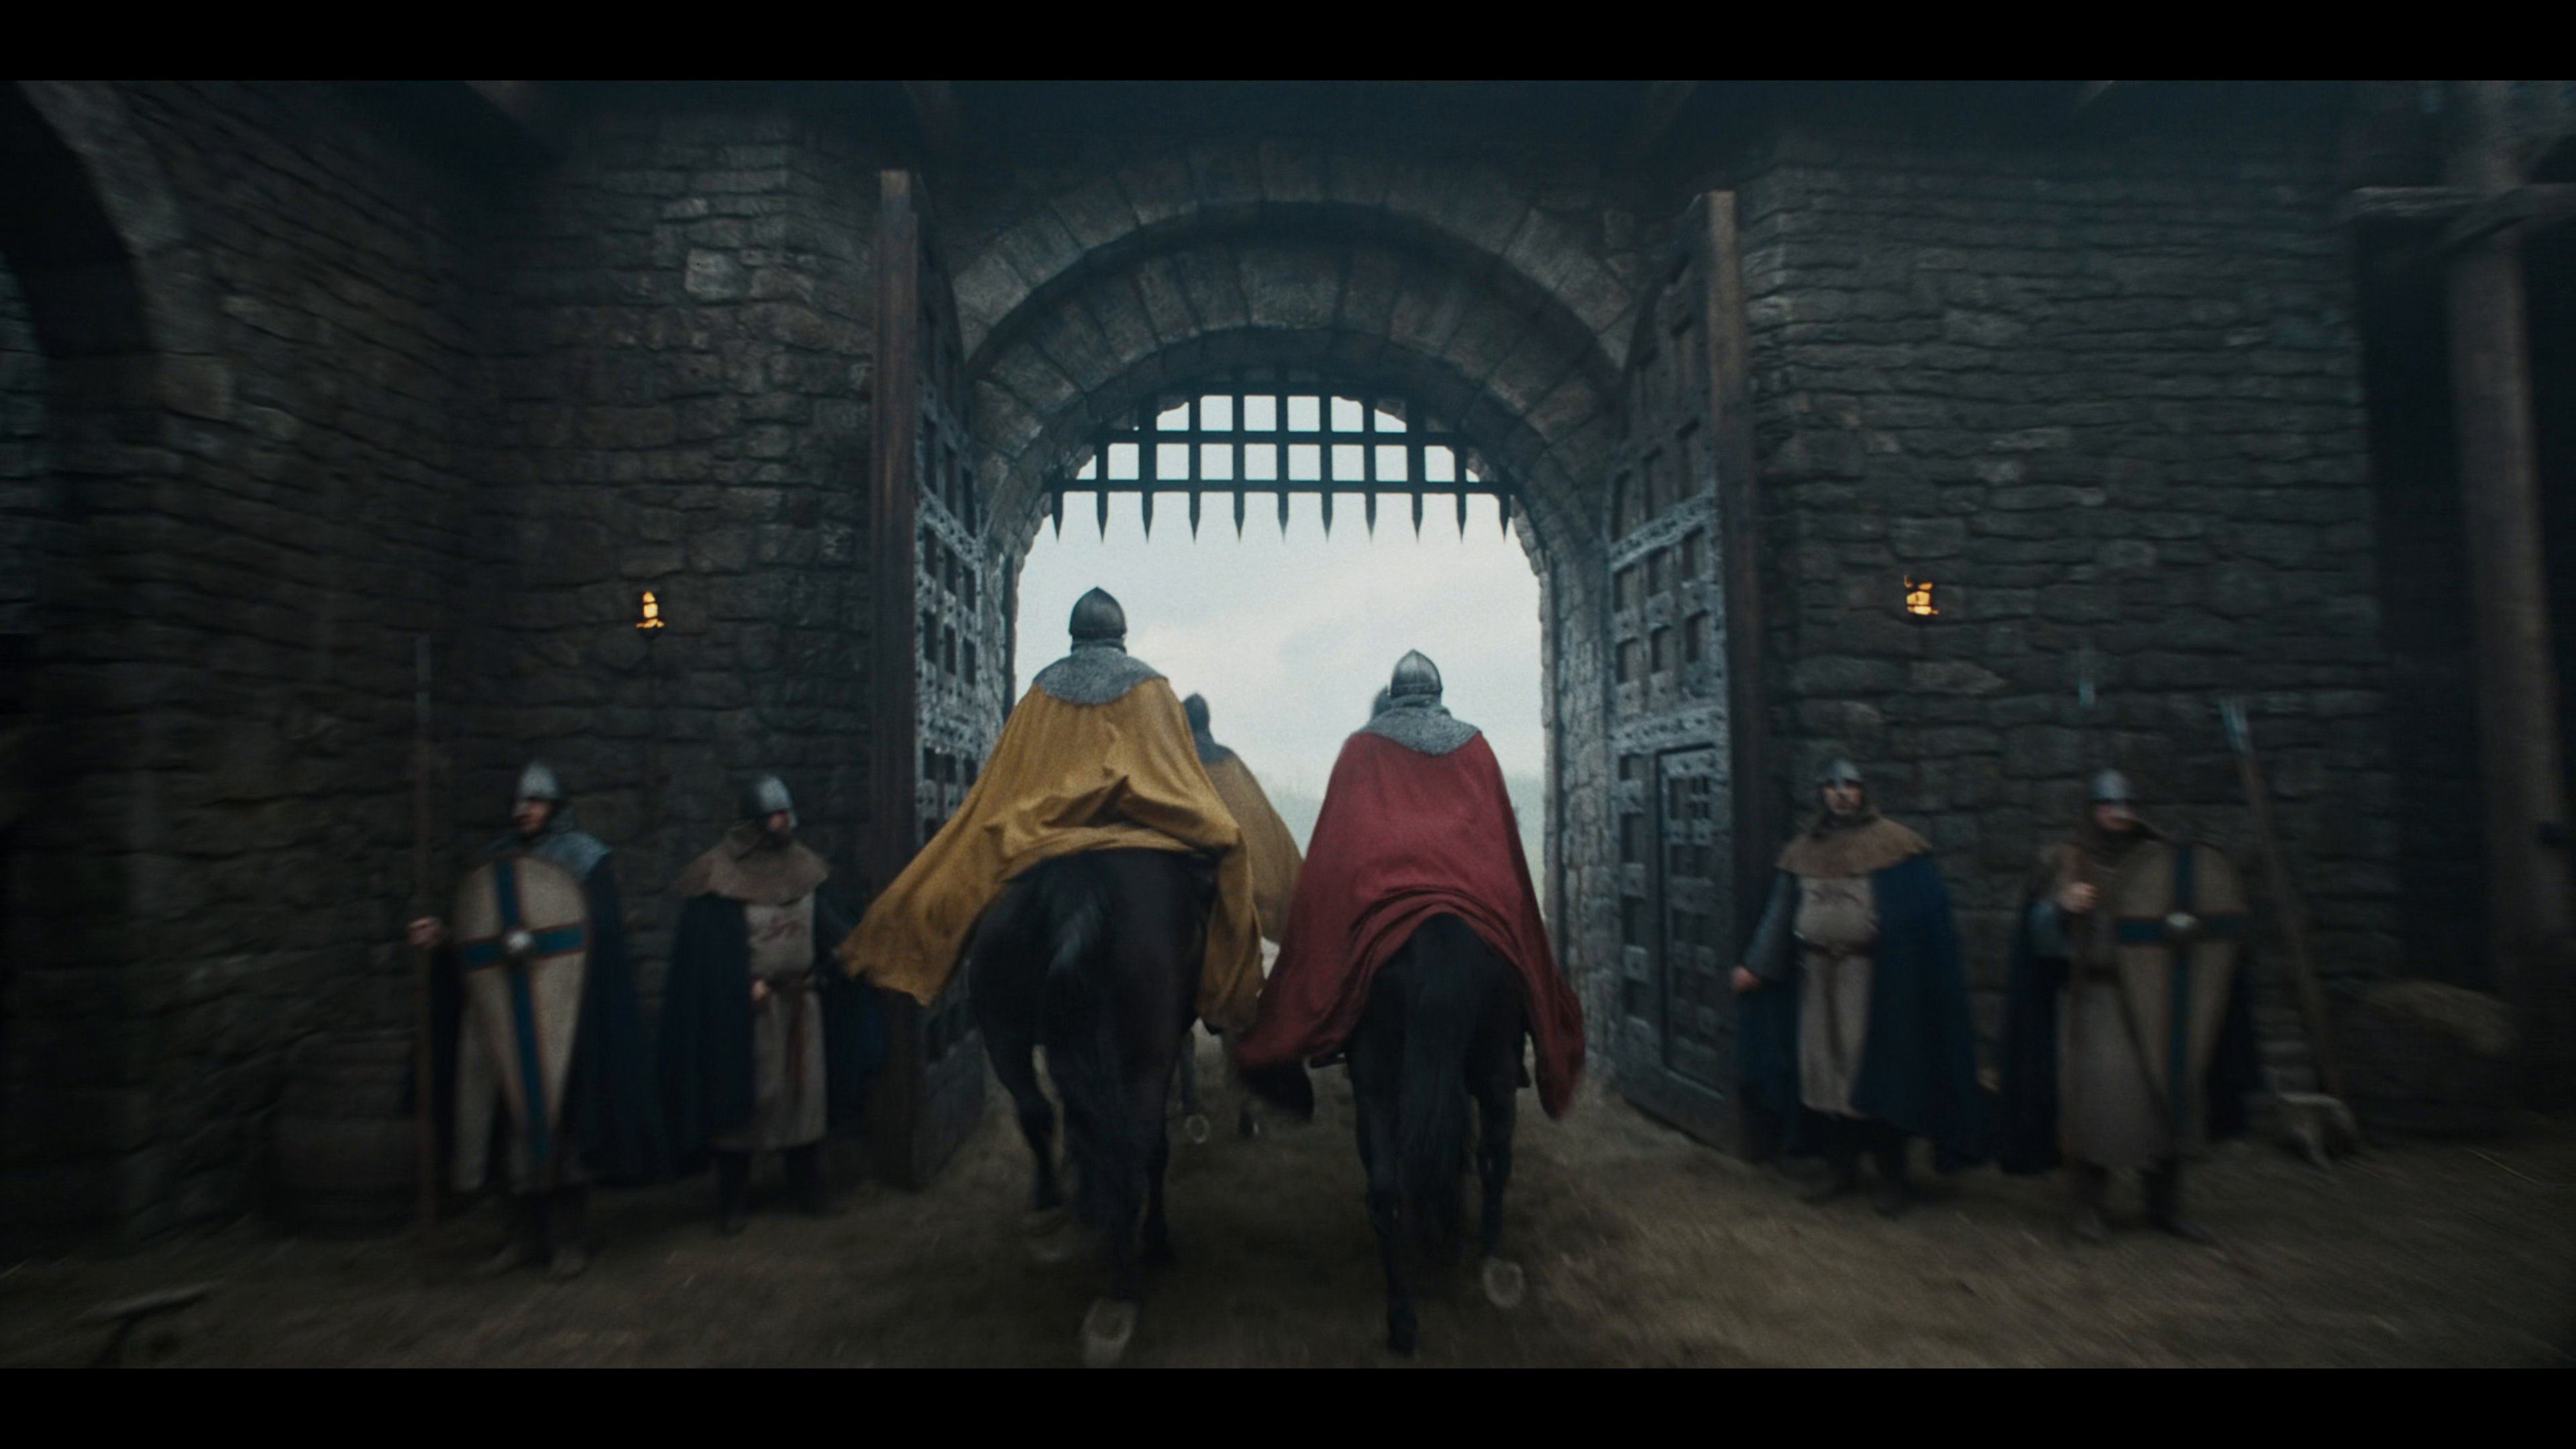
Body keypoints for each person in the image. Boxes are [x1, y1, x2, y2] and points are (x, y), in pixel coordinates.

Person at [837, 588, 1265, 1038]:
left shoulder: (1043, 690)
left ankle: (910, 958)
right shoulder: (1152, 689)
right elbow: (1178, 774)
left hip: (1043, 827)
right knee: (1230, 854)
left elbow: (1008, 777)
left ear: (1075, 635)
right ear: (1120, 636)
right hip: (1145, 829)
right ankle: (1223, 998)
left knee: (963, 876)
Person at [1234, 651, 1584, 1120]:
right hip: (1470, 897)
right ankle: (1515, 1045)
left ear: (1394, 696)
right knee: (1513, 949)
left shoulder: (1361, 747)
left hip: (1386, 897)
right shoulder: (1474, 745)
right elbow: (1501, 847)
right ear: (1438, 695)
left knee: (1341, 955)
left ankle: (1334, 1032)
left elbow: (1339, 846)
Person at [408, 762, 666, 1279]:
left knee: (561, 1129)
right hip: (506, 1019)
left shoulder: (586, 860)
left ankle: (568, 1239)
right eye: (520, 802)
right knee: (510, 1128)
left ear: (556, 805)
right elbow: (480, 939)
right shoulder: (497, 862)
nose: (524, 810)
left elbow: (600, 938)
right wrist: (444, 936)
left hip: (562, 1019)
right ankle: (521, 1237)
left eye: (535, 801)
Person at [1996, 769, 2260, 1244]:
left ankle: (2166, 1206)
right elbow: (2036, 937)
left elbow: (2204, 922)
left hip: (2159, 1002)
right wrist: (2062, 909)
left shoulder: (2161, 859)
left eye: (2126, 805)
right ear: (2093, 811)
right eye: (2109, 806)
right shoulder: (2067, 861)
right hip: (2096, 1000)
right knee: (2097, 1107)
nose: (2119, 814)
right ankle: (2087, 1207)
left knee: (2166, 1101)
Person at [1731, 759, 1987, 1216]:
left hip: (1874, 982)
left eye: (1850, 785)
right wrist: (1757, 966)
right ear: (1821, 792)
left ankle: (1892, 1178)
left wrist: (1905, 963)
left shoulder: (1896, 846)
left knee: (1880, 1077)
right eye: (1832, 785)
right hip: (1816, 978)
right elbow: (1781, 914)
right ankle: (1841, 1171)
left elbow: (1921, 915)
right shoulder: (1802, 852)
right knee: (1825, 1078)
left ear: (1863, 790)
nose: (1841, 792)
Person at [659, 774, 883, 1234]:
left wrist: (839, 963)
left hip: (802, 1006)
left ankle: (807, 1188)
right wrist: (736, 988)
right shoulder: (716, 876)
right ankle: (733, 1199)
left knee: (805, 1099)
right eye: (776, 815)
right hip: (745, 1014)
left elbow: (833, 934)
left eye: (787, 814)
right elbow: (704, 959)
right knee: (743, 1102)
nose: (786, 822)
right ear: (755, 822)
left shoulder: (806, 870)